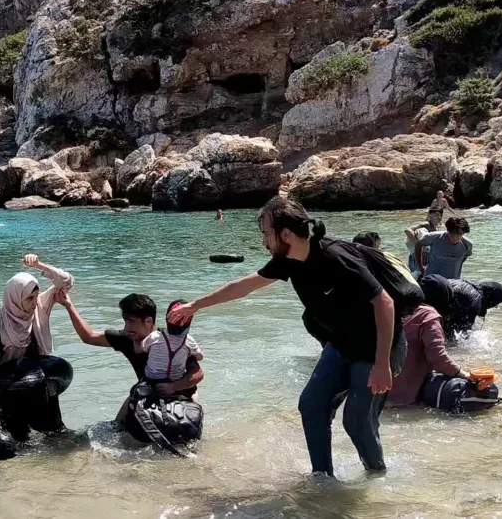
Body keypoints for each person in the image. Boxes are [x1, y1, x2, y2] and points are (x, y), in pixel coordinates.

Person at [168, 196, 423, 477]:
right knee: (312, 406)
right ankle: (323, 480)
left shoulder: (335, 256)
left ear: (285, 234)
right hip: (342, 345)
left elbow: (384, 303)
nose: (264, 240)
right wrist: (196, 305)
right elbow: (243, 286)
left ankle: (376, 478)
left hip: (379, 348)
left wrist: (382, 363)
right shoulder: (288, 261)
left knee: (357, 421)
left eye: (266, 233)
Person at [53, 291, 204, 437]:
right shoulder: (128, 338)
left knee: (186, 435)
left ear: (148, 321)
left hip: (183, 393)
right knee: (115, 430)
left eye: (131, 321)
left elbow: (197, 374)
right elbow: (89, 336)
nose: (126, 328)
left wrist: (174, 387)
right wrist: (68, 305)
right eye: (125, 321)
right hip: (147, 392)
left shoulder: (172, 341)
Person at [0, 254, 74, 437]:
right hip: (12, 386)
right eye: (29, 298)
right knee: (19, 436)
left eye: (36, 296)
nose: (34, 302)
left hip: (42, 380)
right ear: (15, 298)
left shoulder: (41, 307)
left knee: (55, 432)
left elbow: (66, 281)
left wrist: (39, 265)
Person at [388, 303, 469, 406]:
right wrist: (464, 374)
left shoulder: (381, 306)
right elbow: (437, 356)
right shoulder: (428, 315)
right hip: (405, 397)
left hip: (373, 389)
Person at [141, 300, 204, 399]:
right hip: (175, 382)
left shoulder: (154, 336)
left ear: (166, 318)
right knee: (194, 392)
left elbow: (144, 348)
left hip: (151, 381)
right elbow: (200, 357)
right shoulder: (188, 340)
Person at [419, 275, 502, 341]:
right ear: (491, 298)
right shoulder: (475, 301)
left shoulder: (463, 282)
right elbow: (461, 333)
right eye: (496, 303)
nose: (495, 306)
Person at [405, 208, 443, 273]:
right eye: (436, 215)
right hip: (417, 257)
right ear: (430, 215)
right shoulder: (426, 225)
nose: (439, 217)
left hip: (427, 258)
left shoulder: (436, 229)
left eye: (440, 215)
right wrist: (417, 244)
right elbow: (407, 230)